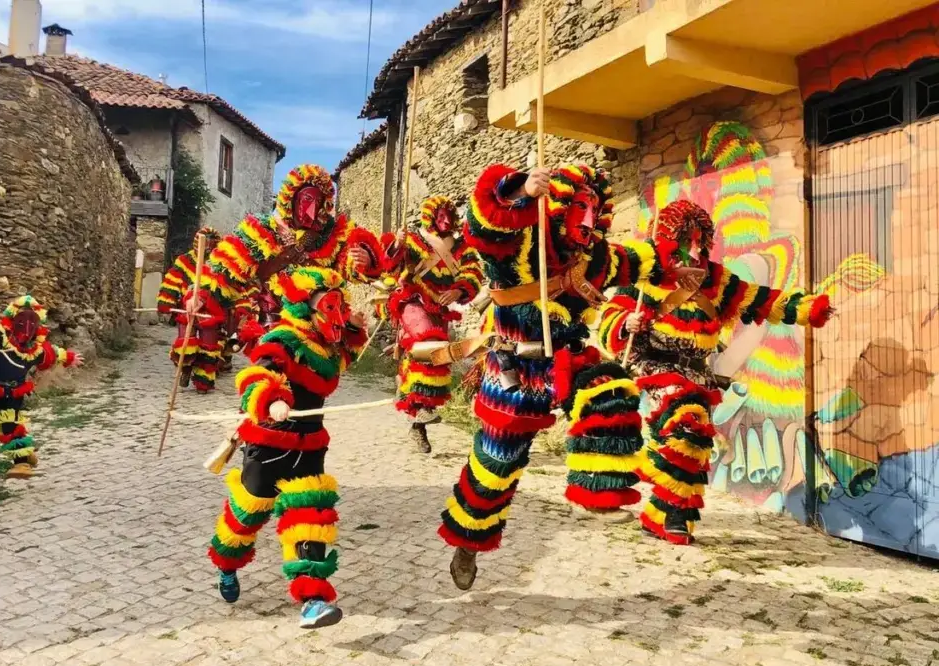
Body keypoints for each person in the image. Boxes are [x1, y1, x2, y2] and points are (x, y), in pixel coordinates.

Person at [437, 164, 676, 590]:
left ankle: (598, 493)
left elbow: (637, 262)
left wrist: (675, 266)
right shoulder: (520, 241)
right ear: (561, 206)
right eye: (580, 206)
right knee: (497, 466)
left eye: (594, 209)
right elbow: (483, 225)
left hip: (565, 356)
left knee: (609, 390)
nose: (588, 218)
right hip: (515, 369)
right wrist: (520, 192)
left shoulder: (592, 257)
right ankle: (468, 541)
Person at [593, 199, 834, 544]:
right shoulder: (648, 275)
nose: (694, 249)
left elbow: (758, 299)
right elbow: (610, 317)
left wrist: (806, 309)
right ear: (670, 240)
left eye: (699, 241)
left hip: (698, 375)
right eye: (686, 241)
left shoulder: (716, 279)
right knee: (688, 429)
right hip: (657, 368)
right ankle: (675, 517)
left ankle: (659, 516)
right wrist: (625, 322)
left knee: (693, 446)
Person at [207, 265, 367, 629]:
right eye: (328, 306)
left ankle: (313, 600)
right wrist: (273, 399)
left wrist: (355, 330)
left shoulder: (326, 347)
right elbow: (256, 375)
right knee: (247, 517)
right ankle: (226, 564)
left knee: (310, 518)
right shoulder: (283, 338)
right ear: (305, 307)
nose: (336, 313)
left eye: (338, 305)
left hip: (310, 445)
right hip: (269, 444)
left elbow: (339, 363)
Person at [186, 164, 397, 391]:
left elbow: (351, 262)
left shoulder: (330, 235)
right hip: (272, 317)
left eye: (317, 201)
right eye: (306, 200)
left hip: (314, 324)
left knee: (308, 384)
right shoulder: (261, 230)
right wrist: (199, 295)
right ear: (291, 199)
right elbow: (223, 270)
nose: (311, 208)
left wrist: (364, 260)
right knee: (271, 373)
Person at [382, 196, 483, 454]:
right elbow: (390, 267)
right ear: (431, 217)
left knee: (435, 358)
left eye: (449, 216)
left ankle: (417, 423)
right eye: (440, 216)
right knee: (428, 343)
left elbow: (472, 273)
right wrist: (398, 244)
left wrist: (458, 291)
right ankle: (419, 403)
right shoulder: (416, 240)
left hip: (439, 308)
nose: (446, 221)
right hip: (412, 299)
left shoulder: (461, 247)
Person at [0, 295, 83, 479]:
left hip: (15, 392)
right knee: (3, 422)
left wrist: (70, 358)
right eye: (22, 318)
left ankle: (21, 464)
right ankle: (27, 453)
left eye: (32, 320)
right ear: (13, 317)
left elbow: (54, 353)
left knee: (10, 424)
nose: (26, 325)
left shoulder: (36, 349)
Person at [156, 226, 224, 392]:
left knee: (208, 348)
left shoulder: (221, 264)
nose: (207, 247)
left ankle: (203, 381)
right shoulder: (185, 261)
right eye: (204, 243)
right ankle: (185, 369)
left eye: (211, 243)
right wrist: (166, 300)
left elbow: (227, 287)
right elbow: (173, 279)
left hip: (210, 313)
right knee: (185, 344)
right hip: (187, 311)